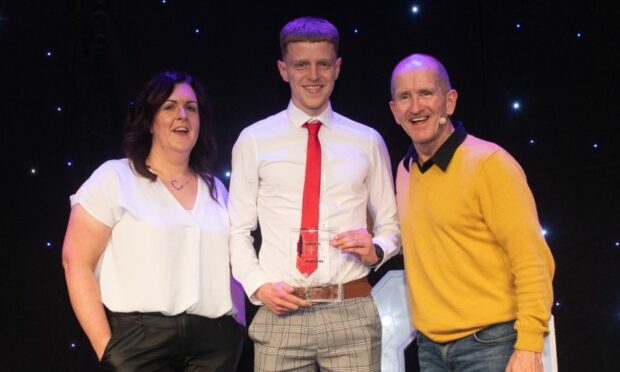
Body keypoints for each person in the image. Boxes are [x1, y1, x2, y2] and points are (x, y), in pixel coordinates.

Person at [228, 17, 401, 371]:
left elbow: (391, 226)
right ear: (283, 69)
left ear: (337, 68)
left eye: (323, 64)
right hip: (283, 312)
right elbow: (237, 231)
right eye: (301, 65)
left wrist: (377, 250)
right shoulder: (254, 139)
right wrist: (259, 287)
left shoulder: (366, 140)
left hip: (350, 308)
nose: (313, 75)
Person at [62, 71, 245, 371]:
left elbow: (232, 262)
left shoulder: (216, 188)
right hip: (140, 343)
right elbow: (76, 262)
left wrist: (237, 323)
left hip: (214, 345)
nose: (182, 115)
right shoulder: (115, 177)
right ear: (149, 120)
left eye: (191, 107)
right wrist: (108, 349)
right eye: (169, 106)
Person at [389, 53, 555, 372]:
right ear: (394, 111)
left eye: (426, 93)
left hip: (492, 344)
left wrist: (530, 345)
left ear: (449, 101)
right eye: (404, 97)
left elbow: (532, 260)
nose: (416, 106)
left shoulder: (490, 164)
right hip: (429, 348)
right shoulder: (405, 171)